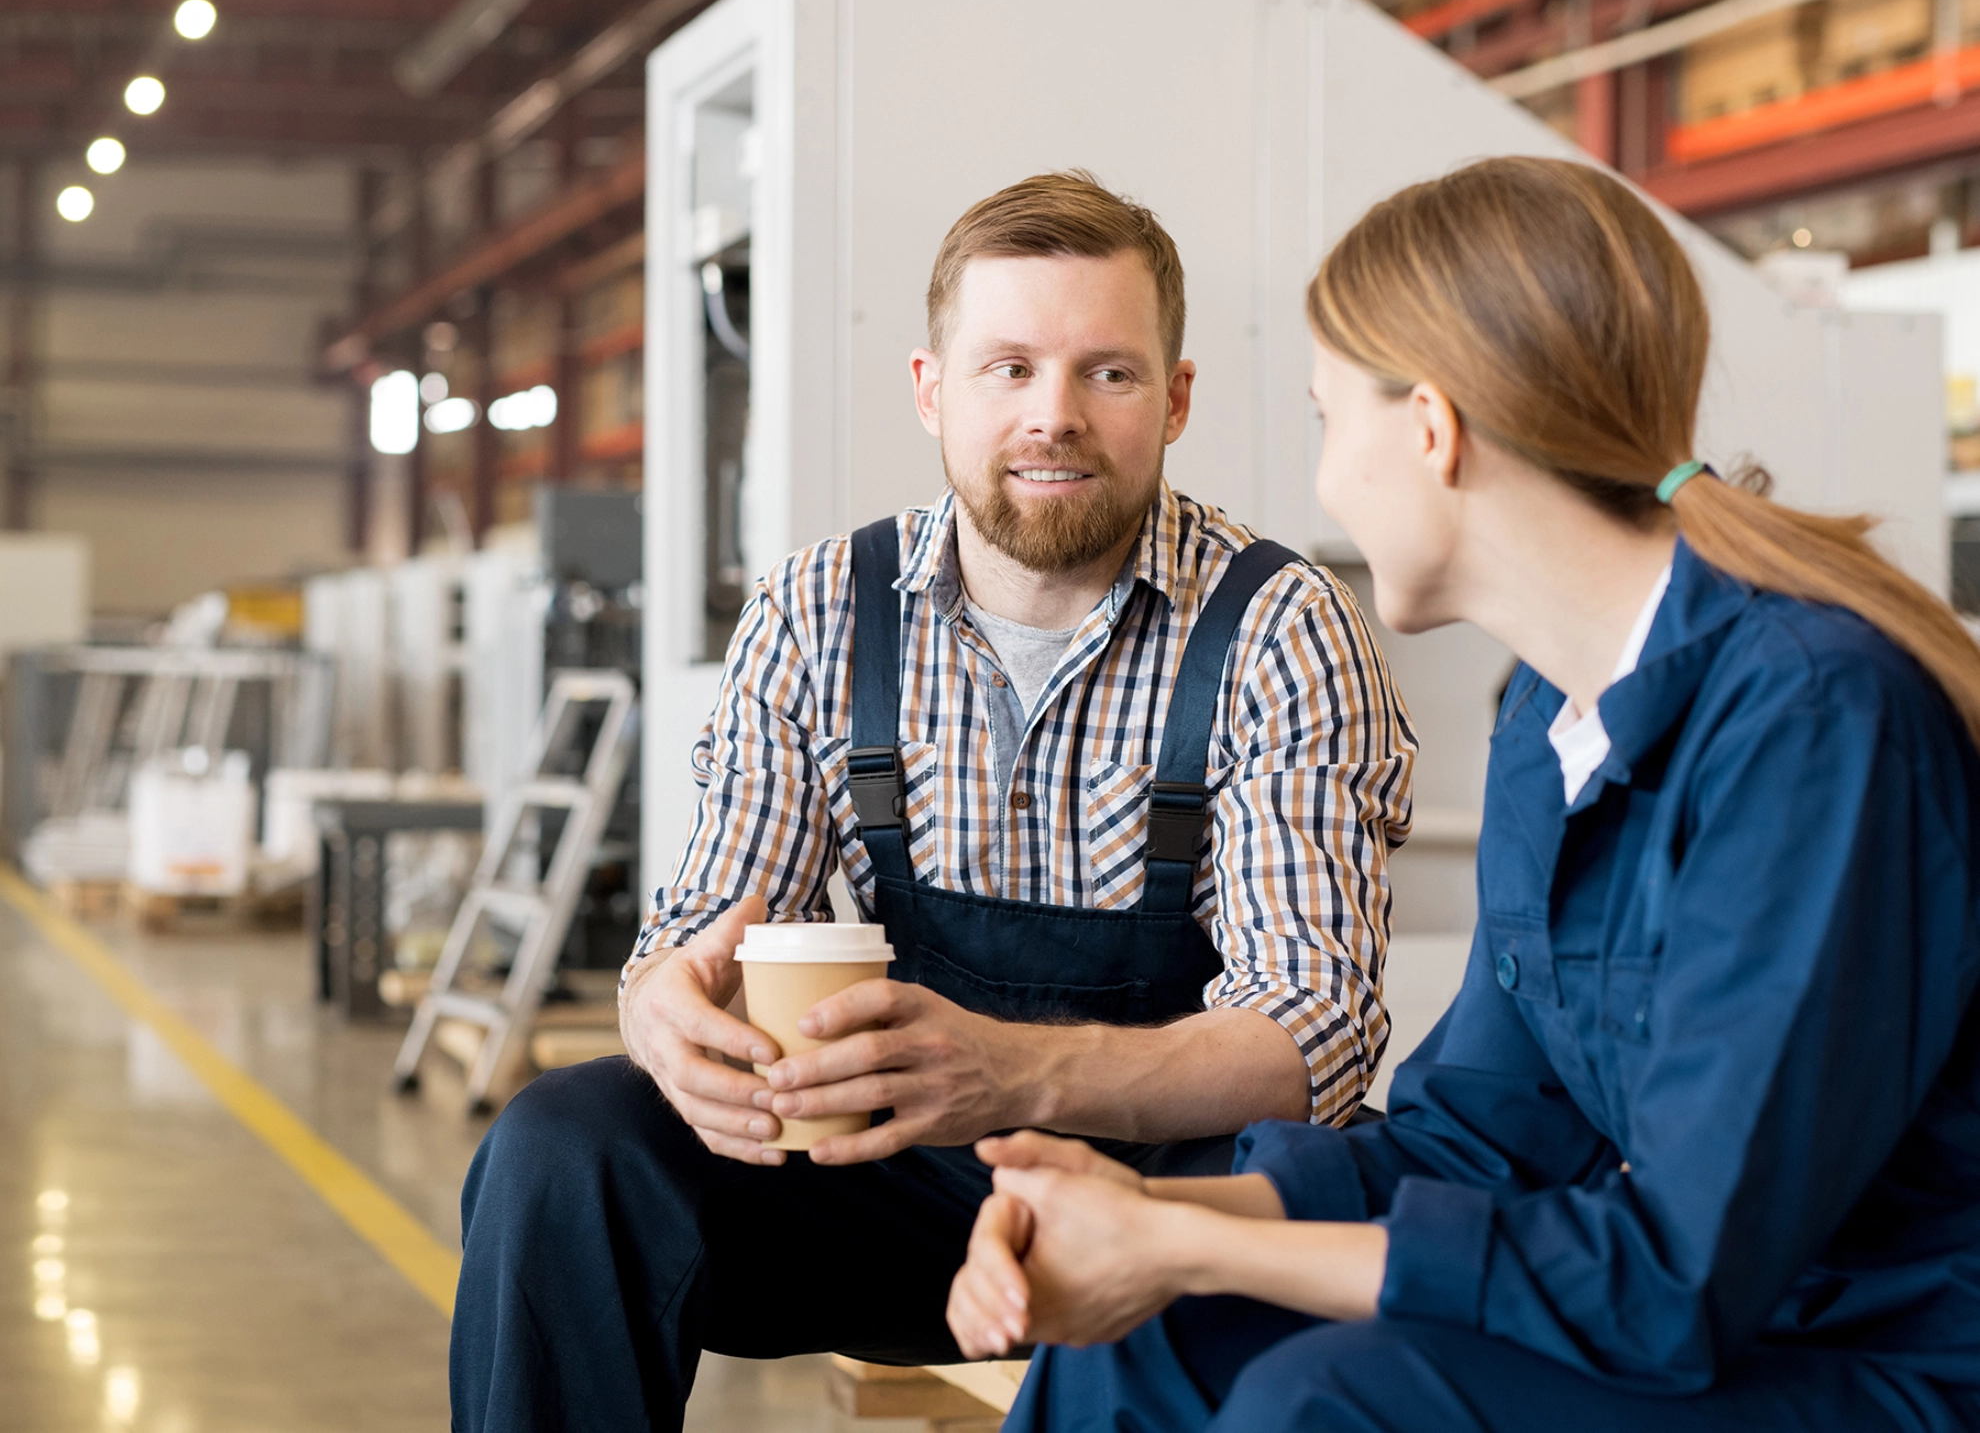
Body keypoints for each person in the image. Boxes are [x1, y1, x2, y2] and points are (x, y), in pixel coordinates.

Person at [946, 156, 1980, 1433]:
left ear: (1431, 430)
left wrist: (1193, 1247)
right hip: (1705, 1323)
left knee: (1331, 1401)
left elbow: (1677, 1280)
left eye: (1330, 423)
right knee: (1147, 1335)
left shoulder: (1815, 720)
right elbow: (1480, 1143)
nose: (1325, 486)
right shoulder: (1550, 713)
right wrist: (1141, 1220)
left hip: (1878, 1357)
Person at [449, 171, 1416, 1432]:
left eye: (1107, 374)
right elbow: (703, 925)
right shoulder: (820, 608)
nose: (1052, 417)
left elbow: (1317, 1038)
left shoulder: (1281, 629)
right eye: (1007, 368)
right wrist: (665, 1013)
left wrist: (1013, 1075)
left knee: (1305, 1190)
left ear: (1175, 400)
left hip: (1159, 1202)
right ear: (930, 390)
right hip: (880, 1189)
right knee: (562, 1150)